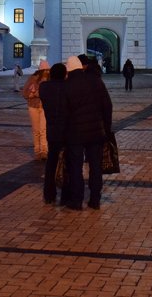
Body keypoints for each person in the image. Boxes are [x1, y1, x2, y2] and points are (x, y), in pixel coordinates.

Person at [63, 55, 113, 210]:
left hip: (75, 134)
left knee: (75, 167)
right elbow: (107, 106)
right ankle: (95, 199)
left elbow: (63, 112)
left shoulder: (67, 85)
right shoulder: (96, 81)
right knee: (95, 166)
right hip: (96, 133)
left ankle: (77, 200)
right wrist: (106, 127)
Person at [38, 62, 69, 204]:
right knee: (67, 162)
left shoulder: (44, 88)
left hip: (52, 129)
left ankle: (49, 194)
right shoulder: (68, 87)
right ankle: (66, 194)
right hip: (67, 129)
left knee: (51, 162)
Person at [22, 60, 50, 159]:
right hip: (33, 106)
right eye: (46, 70)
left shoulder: (49, 79)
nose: (47, 72)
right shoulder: (33, 78)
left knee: (43, 129)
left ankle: (44, 150)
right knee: (36, 130)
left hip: (44, 107)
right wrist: (31, 94)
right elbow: (24, 92)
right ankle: (37, 151)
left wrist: (36, 94)